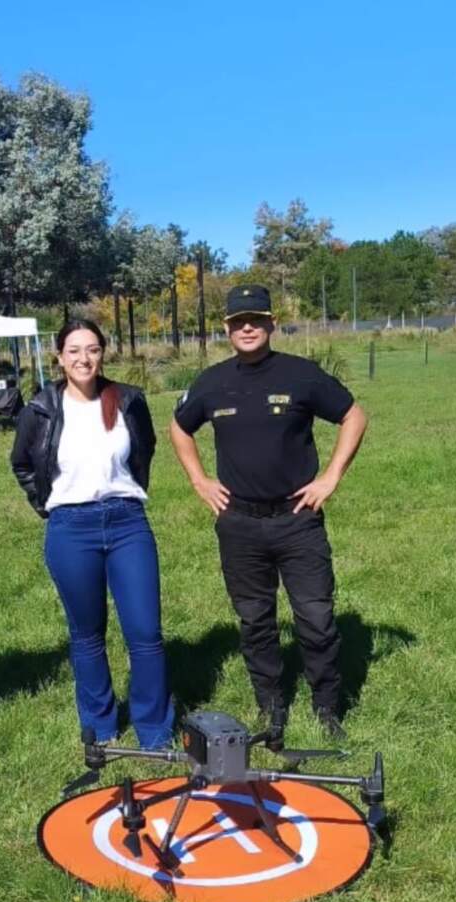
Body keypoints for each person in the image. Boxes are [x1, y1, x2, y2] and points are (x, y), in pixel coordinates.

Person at [170, 285, 367, 738]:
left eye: (256, 320)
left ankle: (327, 707)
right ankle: (271, 705)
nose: (247, 328)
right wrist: (199, 480)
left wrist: (330, 477)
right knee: (256, 620)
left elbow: (354, 416)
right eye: (238, 321)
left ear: (271, 324)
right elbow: (179, 428)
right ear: (226, 328)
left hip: (297, 519)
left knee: (316, 618)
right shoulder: (211, 382)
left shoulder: (301, 375)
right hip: (239, 522)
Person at [11, 319, 174, 749]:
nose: (84, 359)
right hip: (70, 528)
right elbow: (22, 463)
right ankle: (100, 728)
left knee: (145, 633)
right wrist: (47, 504)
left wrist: (128, 490)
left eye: (93, 349)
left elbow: (145, 449)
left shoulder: (128, 400)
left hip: (127, 523)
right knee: (87, 635)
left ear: (103, 353)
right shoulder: (41, 408)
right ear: (59, 357)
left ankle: (155, 732)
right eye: (74, 350)